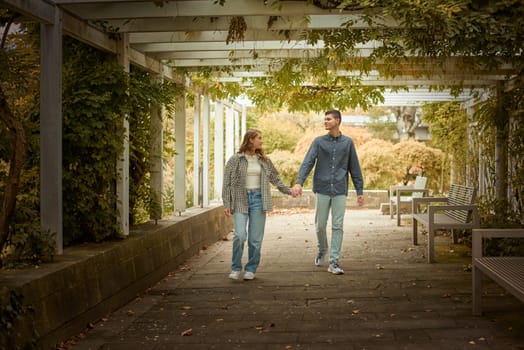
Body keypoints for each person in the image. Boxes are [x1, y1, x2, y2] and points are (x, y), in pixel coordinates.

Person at [292, 110, 364, 275]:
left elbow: (355, 167)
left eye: (328, 119)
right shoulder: (318, 142)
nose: (325, 121)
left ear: (337, 121)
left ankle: (333, 262)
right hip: (322, 188)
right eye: (324, 119)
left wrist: (359, 190)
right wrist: (299, 182)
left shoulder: (348, 143)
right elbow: (307, 162)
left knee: (337, 226)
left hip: (339, 189)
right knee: (320, 225)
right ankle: (322, 248)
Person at [223, 129, 295, 281]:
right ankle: (235, 268)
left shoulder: (264, 160)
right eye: (259, 138)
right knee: (240, 235)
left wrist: (289, 191)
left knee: (255, 239)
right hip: (240, 199)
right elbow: (227, 183)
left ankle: (251, 269)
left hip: (258, 199)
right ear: (250, 140)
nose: (261, 141)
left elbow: (275, 178)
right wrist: (227, 203)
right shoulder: (235, 159)